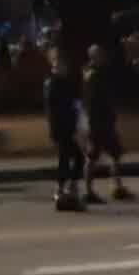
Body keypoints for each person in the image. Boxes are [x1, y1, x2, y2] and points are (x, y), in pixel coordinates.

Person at [81, 44, 133, 203]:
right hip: (97, 122)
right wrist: (91, 122)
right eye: (100, 55)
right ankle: (88, 191)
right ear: (93, 57)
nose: (103, 58)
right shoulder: (92, 74)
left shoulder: (100, 72)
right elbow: (91, 101)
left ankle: (117, 187)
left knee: (115, 154)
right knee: (92, 156)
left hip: (106, 121)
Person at [44, 48, 86, 211]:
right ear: (54, 65)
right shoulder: (52, 83)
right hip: (61, 128)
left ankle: (70, 186)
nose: (64, 67)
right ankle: (61, 189)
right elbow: (53, 109)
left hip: (70, 126)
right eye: (60, 64)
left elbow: (75, 103)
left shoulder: (67, 82)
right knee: (64, 158)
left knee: (76, 157)